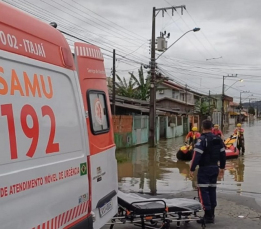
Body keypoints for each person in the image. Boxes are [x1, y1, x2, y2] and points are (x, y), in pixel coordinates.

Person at [190, 120, 226, 224]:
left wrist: (192, 168)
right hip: (215, 168)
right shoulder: (218, 139)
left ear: (202, 127)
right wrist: (222, 167)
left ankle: (208, 215)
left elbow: (196, 155)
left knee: (203, 191)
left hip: (204, 169)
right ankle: (212, 213)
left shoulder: (201, 140)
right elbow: (223, 154)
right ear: (211, 127)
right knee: (212, 190)